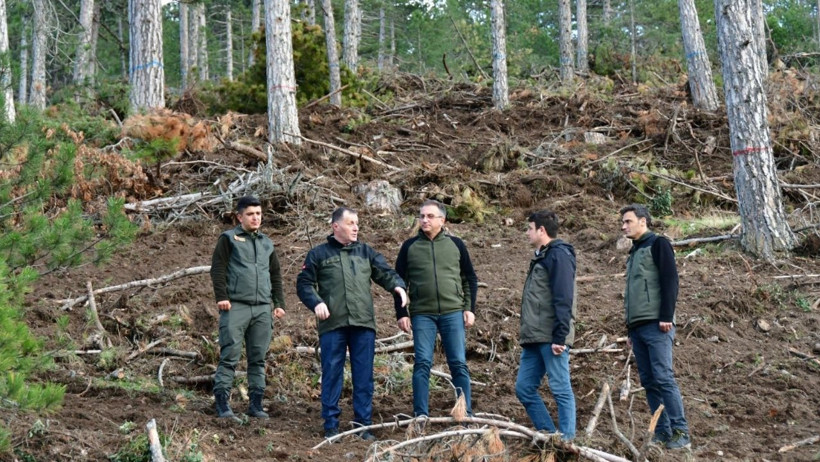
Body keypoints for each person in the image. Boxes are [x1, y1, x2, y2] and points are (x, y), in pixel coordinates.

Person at [296, 207, 408, 440]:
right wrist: (316, 302)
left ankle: (362, 426)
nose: (356, 227)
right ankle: (331, 426)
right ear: (336, 226)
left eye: (357, 223)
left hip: (363, 323)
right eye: (351, 223)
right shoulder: (318, 254)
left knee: (364, 375)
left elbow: (386, 273)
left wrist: (397, 286)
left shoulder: (366, 252)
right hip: (332, 324)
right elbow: (304, 284)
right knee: (332, 374)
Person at [395, 199, 479, 419]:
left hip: (453, 312)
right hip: (422, 314)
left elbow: (469, 278)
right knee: (422, 362)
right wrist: (402, 313)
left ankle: (465, 412)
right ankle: (420, 414)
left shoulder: (456, 245)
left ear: (442, 220)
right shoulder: (409, 247)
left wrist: (469, 308)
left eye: (430, 216)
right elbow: (398, 283)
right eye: (422, 216)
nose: (424, 220)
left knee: (458, 363)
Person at [620, 204, 691, 450]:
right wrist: (629, 329)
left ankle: (681, 433)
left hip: (657, 325)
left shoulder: (658, 244)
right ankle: (662, 433)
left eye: (628, 221)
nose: (623, 226)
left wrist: (666, 315)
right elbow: (633, 294)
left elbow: (670, 279)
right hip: (639, 328)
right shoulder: (635, 252)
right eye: (623, 222)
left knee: (663, 377)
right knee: (649, 381)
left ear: (643, 221)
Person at [210, 196, 286, 422]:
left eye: (259, 214)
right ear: (240, 216)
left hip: (263, 308)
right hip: (236, 306)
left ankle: (256, 404)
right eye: (251, 214)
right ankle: (222, 404)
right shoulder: (228, 239)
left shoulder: (266, 243)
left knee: (258, 357)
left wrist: (279, 303)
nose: (256, 218)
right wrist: (222, 297)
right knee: (229, 356)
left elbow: (275, 275)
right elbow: (218, 269)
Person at [514, 210, 577, 441]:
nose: (527, 233)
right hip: (533, 338)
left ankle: (568, 442)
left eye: (530, 228)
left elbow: (564, 297)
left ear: (542, 230)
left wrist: (560, 336)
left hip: (552, 337)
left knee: (560, 389)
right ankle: (551, 437)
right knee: (524, 388)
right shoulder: (542, 256)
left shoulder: (558, 255)